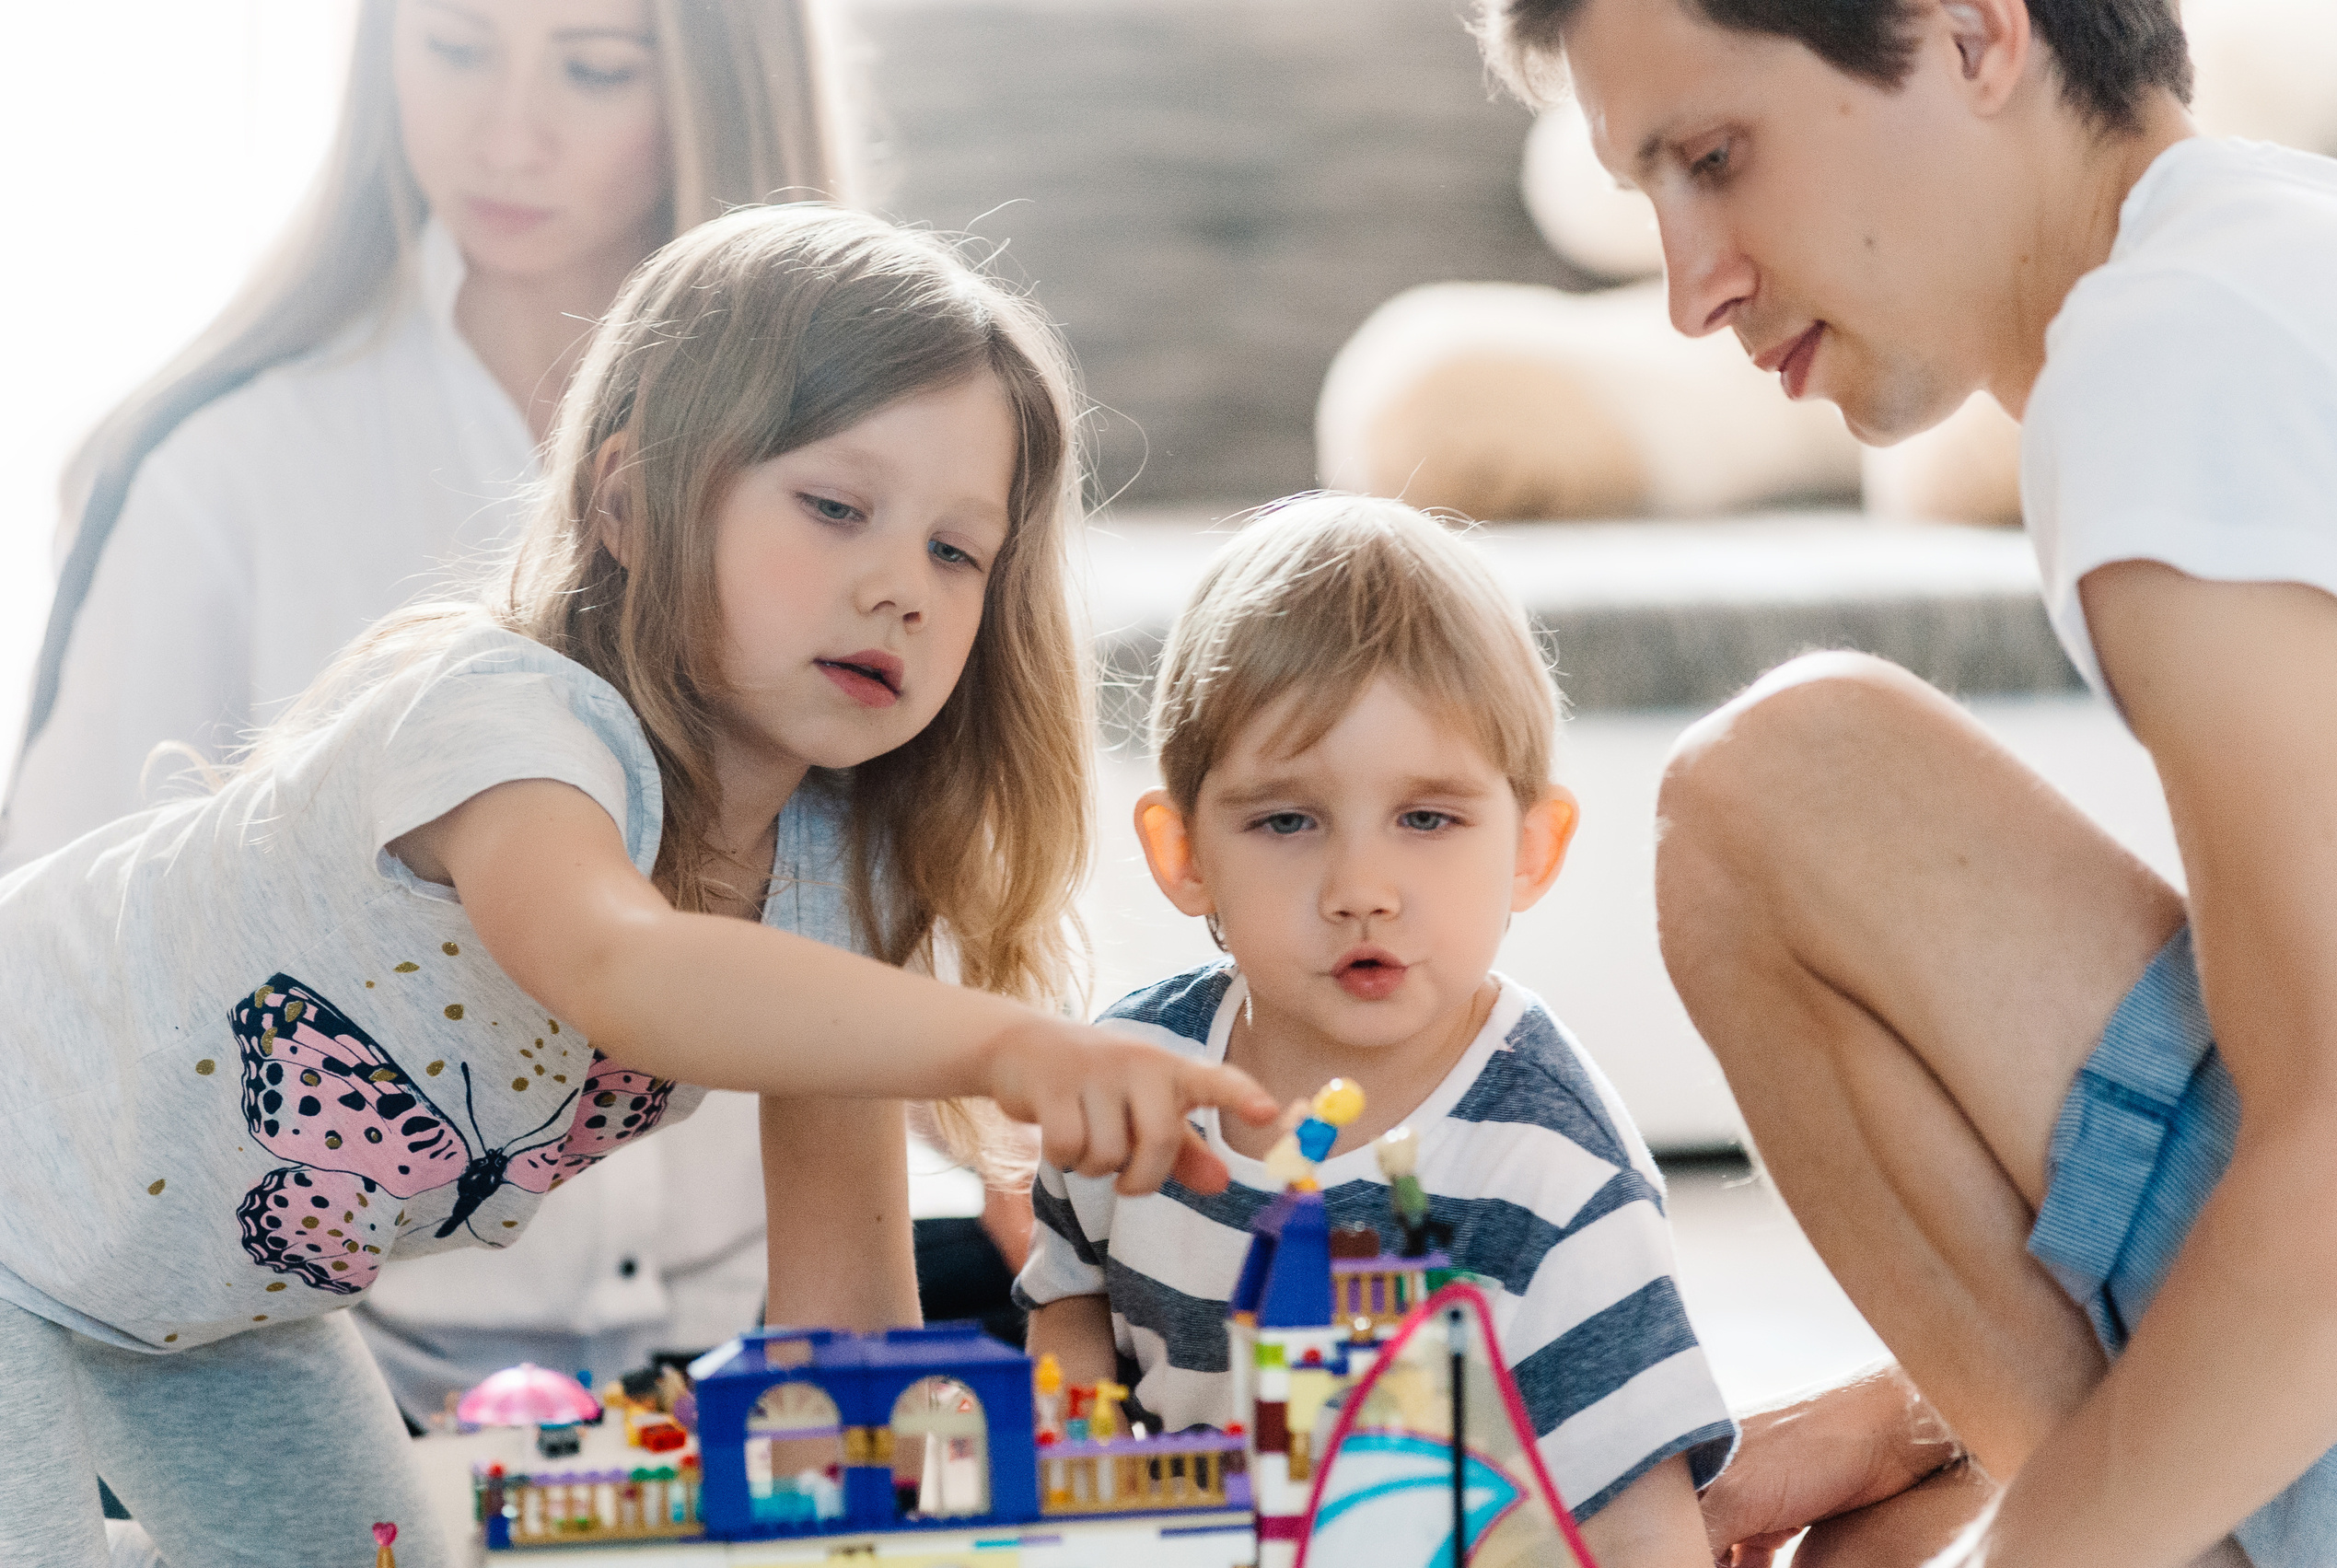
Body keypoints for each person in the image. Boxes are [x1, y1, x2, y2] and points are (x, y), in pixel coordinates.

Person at [0, 203, 1278, 1567]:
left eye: (956, 551)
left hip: (214, 1299)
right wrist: (1014, 1045)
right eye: (837, 507)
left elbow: (846, 1323)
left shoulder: (828, 877)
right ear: (625, 501)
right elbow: (625, 965)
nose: (902, 585)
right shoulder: (509, 726)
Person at [1478, 0, 2337, 1563]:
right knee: (1889, 1528)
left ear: (1970, 34)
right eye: (1651, 198)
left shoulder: (2167, 359)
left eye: (1716, 158)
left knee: (1774, 794)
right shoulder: (2277, 253)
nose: (1693, 289)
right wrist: (1898, 1420)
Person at [0, 0, 870, 1422]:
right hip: (305, 1363)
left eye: (593, 66)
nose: (506, 131)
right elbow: (60, 1015)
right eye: (456, 46)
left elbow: (864, 922)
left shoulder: (865, 494)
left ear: (724, 81)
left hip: (740, 1354)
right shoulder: (218, 469)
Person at [1017, 495, 1737, 1565]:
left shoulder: (1551, 1164)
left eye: (1427, 818)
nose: (1362, 888)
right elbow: (1069, 1295)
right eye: (1287, 820)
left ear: (1533, 847)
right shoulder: (1138, 1075)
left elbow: (1641, 1526)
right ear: (1183, 853)